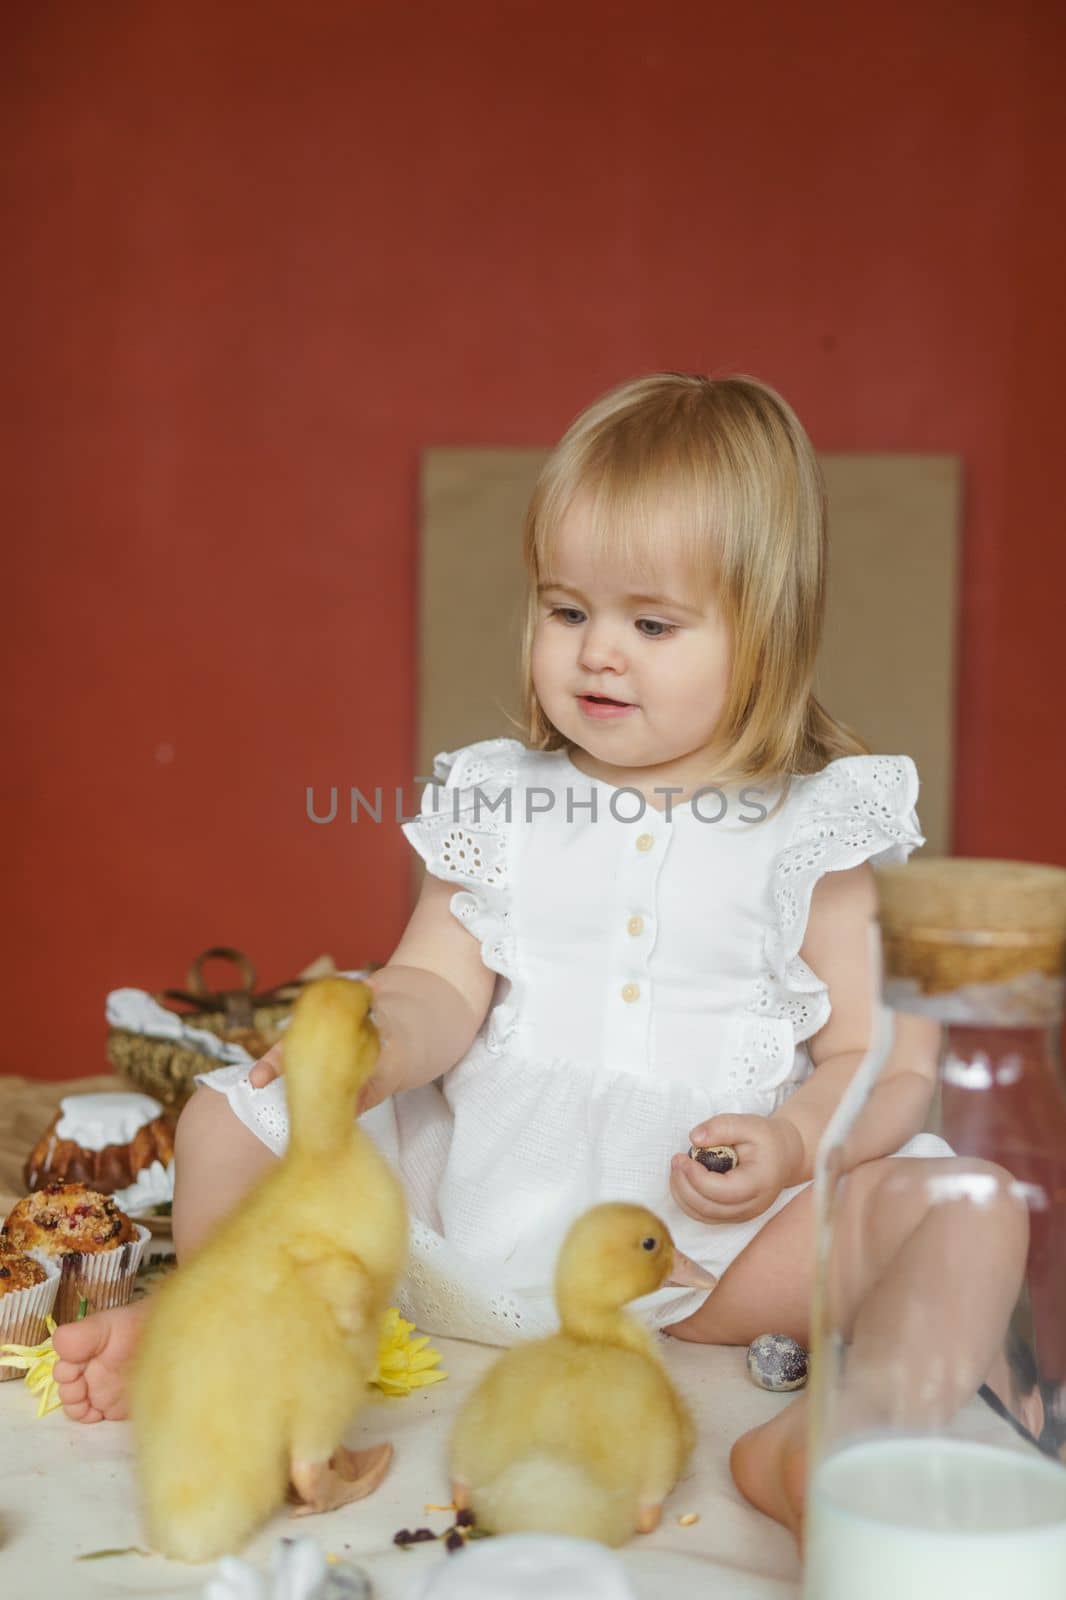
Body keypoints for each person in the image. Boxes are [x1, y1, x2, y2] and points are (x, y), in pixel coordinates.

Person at [54, 374, 1028, 1536]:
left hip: (710, 1241)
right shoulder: (500, 796)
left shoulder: (813, 825)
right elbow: (436, 986)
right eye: (567, 611)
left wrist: (793, 1139)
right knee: (227, 1120)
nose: (598, 655)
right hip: (481, 1205)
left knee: (967, 1210)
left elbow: (883, 1060)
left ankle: (841, 1436)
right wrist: (374, 1039)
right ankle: (217, 1332)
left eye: (651, 624)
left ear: (767, 630)